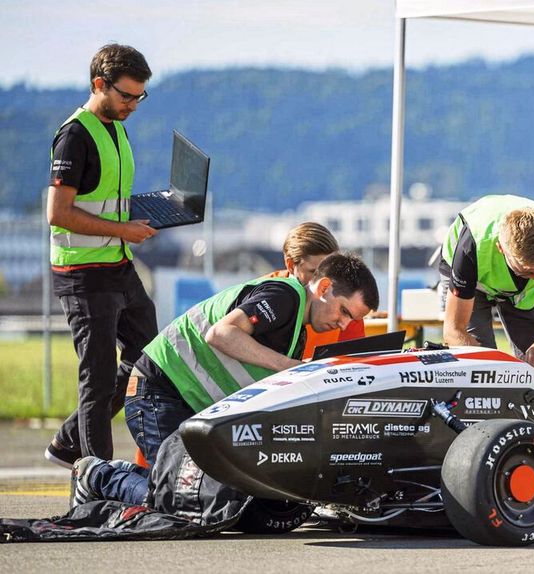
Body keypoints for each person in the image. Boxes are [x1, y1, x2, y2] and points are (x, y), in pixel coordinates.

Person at [125, 252, 380, 466]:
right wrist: (294, 368)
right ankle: (97, 476)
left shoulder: (296, 331)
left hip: (184, 400)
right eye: (344, 311)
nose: (344, 324)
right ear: (324, 287)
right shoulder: (284, 297)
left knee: (201, 495)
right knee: (180, 492)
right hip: (158, 391)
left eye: (352, 319)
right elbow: (221, 334)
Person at [45, 44, 158, 468]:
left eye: (139, 97)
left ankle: (68, 440)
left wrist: (147, 213)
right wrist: (122, 228)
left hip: (117, 263)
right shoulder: (75, 135)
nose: (133, 105)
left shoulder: (115, 126)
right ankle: (97, 478)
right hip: (83, 273)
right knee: (97, 378)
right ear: (99, 84)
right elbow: (59, 213)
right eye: (127, 96)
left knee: (149, 354)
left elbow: (105, 198)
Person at [439, 194, 534, 371]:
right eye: (524, 271)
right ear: (501, 249)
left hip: (525, 293)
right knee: (475, 363)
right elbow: (454, 330)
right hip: (474, 281)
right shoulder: (470, 247)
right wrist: (486, 369)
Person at [265, 222, 366, 358]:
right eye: (314, 272)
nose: (323, 282)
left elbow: (357, 363)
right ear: (290, 265)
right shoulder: (265, 295)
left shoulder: (348, 304)